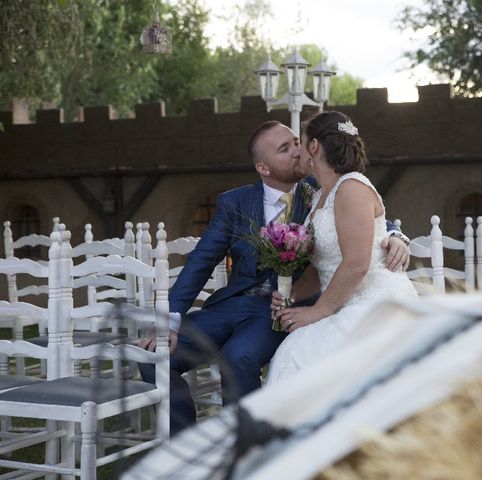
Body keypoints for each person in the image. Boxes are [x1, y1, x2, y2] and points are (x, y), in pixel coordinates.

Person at [139, 119, 411, 436]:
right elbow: (200, 261)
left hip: (283, 309)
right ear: (263, 168)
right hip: (233, 305)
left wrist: (397, 235)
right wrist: (169, 321)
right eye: (284, 149)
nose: (297, 151)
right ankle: (185, 448)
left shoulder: (318, 189)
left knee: (237, 357)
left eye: (296, 142)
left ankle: (247, 448)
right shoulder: (235, 203)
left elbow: (369, 217)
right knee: (152, 355)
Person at [266, 112, 419, 384]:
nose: (298, 151)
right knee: (294, 353)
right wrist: (290, 294)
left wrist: (315, 312)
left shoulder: (351, 188)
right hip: (343, 304)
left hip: (375, 303)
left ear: (314, 146)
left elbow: (356, 264)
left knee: (300, 356)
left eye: (300, 142)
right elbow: (323, 265)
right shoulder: (318, 198)